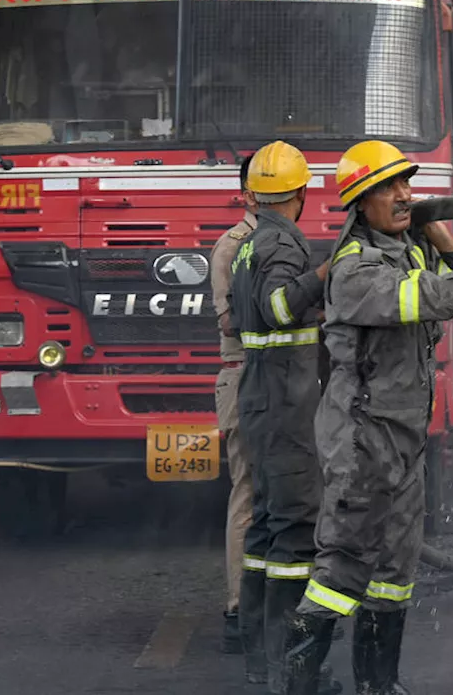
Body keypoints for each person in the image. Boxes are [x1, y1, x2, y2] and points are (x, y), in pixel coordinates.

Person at [285, 140, 453, 695]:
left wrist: (442, 234)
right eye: (389, 188)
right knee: (340, 571)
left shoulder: (403, 246)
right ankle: (295, 686)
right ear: (359, 200)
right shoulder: (355, 269)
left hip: (402, 439)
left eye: (406, 184)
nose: (404, 195)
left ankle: (379, 686)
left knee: (393, 573)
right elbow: (437, 298)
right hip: (362, 443)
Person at [226, 141, 335, 691]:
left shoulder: (249, 243)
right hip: (287, 404)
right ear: (302, 193)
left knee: (266, 532)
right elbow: (276, 308)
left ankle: (261, 666)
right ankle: (294, 674)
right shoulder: (286, 246)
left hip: (261, 396)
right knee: (294, 535)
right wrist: (326, 273)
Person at [211, 153, 258, 657]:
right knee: (248, 494)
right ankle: (239, 607)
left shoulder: (275, 242)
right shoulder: (234, 247)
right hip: (247, 378)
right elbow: (232, 323)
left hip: (280, 384)